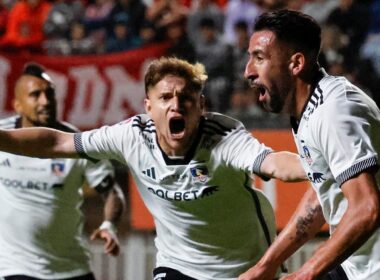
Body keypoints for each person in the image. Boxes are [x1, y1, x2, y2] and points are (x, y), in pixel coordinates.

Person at [0, 57, 307, 280]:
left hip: (246, 268)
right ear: (149, 107)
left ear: (200, 106)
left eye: (185, 98)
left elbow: (276, 164)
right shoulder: (131, 136)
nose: (176, 105)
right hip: (178, 267)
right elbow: (57, 143)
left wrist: (322, 165)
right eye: (165, 98)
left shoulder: (223, 138)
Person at [241, 9, 380, 280]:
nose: (248, 71)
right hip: (358, 267)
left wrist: (306, 273)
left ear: (296, 64)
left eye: (259, 58)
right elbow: (323, 194)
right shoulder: (310, 109)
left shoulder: (335, 111)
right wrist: (265, 265)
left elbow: (367, 208)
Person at [0, 63, 125, 280]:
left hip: (71, 268)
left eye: (49, 94)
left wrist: (109, 224)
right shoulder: (4, 139)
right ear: (17, 105)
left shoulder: (78, 143)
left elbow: (112, 193)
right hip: (15, 268)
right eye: (35, 95)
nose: (45, 101)